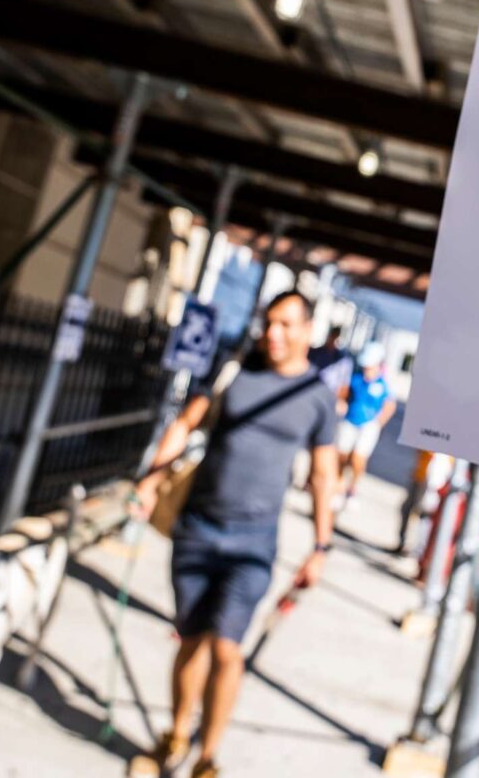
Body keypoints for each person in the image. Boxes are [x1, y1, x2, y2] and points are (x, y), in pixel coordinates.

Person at [129, 291, 339, 778]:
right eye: (270, 322)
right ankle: (177, 736)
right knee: (190, 639)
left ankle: (208, 758)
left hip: (254, 542)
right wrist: (149, 481)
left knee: (227, 648)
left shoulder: (316, 398)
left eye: (287, 324)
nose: (274, 333)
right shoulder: (233, 371)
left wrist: (321, 547)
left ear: (308, 330)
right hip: (198, 529)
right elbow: (185, 424)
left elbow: (323, 476)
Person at [334, 342, 398, 509]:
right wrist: (341, 403)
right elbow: (343, 392)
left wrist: (378, 423)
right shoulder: (356, 378)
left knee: (358, 459)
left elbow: (389, 405)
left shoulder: (383, 385)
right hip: (350, 420)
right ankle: (339, 484)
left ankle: (352, 488)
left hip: (368, 425)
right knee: (341, 455)